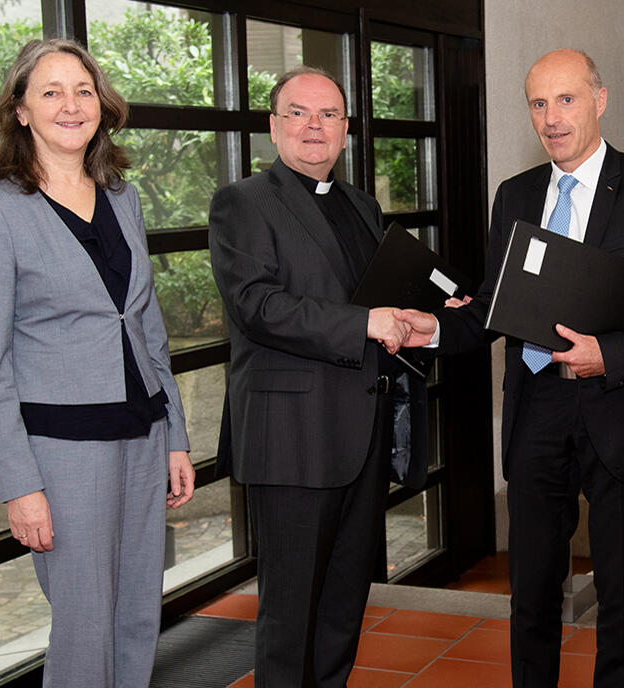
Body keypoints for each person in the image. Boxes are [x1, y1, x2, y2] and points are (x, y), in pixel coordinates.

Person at [397, 48, 624, 688]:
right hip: (537, 406)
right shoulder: (515, 194)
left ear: (600, 100)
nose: (551, 117)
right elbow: (496, 303)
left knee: (621, 592)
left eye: (566, 99)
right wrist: (436, 328)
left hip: (621, 407)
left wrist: (609, 354)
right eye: (538, 104)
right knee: (532, 589)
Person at [0, 39, 194, 687]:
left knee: (136, 616)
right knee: (84, 625)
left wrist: (175, 436)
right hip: (63, 452)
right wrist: (19, 485)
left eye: (83, 90)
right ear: (20, 111)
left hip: (143, 434)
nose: (71, 105)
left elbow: (146, 326)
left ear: (101, 104)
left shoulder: (122, 197)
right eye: (51, 92)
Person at [208, 65, 426, 688]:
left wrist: (423, 314)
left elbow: (376, 299)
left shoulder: (361, 205)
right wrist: (367, 322)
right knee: (290, 616)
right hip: (292, 439)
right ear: (274, 125)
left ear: (345, 129)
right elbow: (257, 305)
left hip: (361, 435)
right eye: (298, 113)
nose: (314, 126)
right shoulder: (243, 202)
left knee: (343, 606)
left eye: (328, 114)